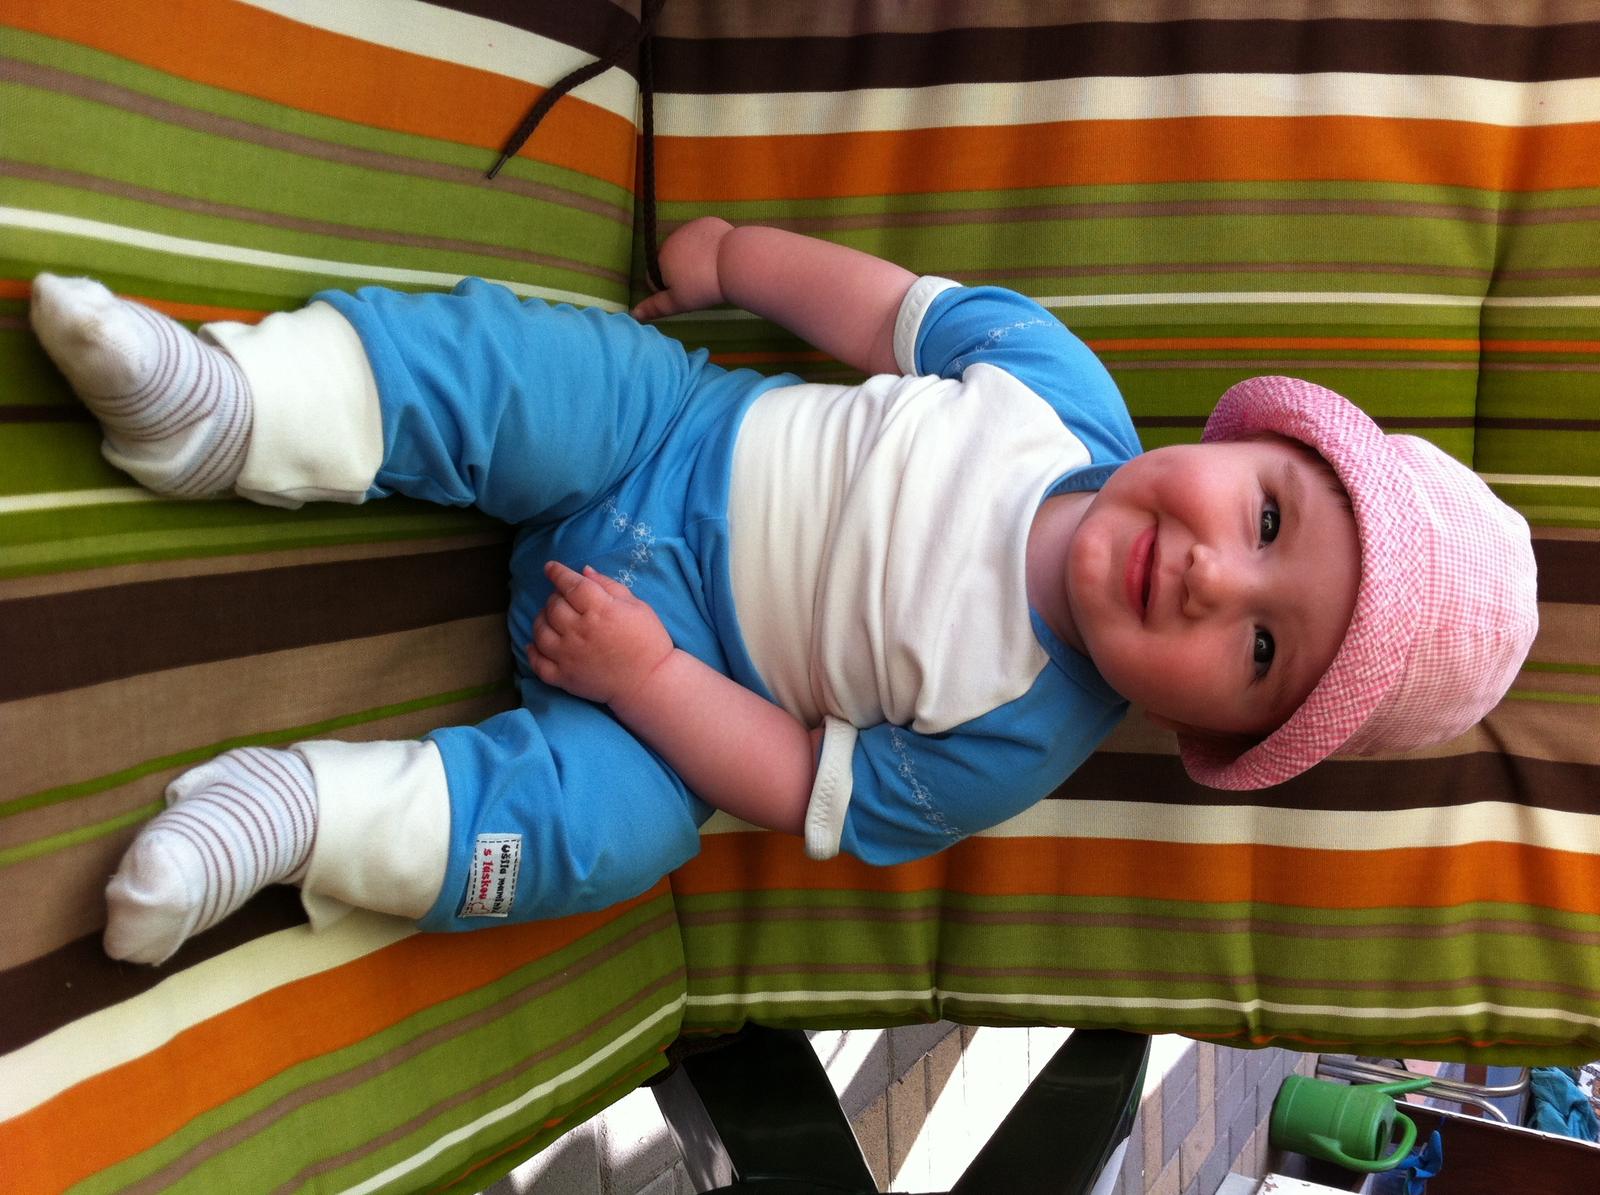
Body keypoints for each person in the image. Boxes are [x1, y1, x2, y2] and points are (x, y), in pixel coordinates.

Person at [28, 218, 1539, 966]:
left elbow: (796, 779)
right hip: (665, 429)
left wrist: (646, 681)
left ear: (1219, 728)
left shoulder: (1018, 746)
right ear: (1241, 439)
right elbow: (882, 312)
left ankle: (293, 819)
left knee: (606, 840)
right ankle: (232, 407)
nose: (1212, 575)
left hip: (666, 693)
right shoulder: (1053, 387)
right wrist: (737, 256)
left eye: (1263, 647)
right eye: (1265, 516)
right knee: (526, 368)